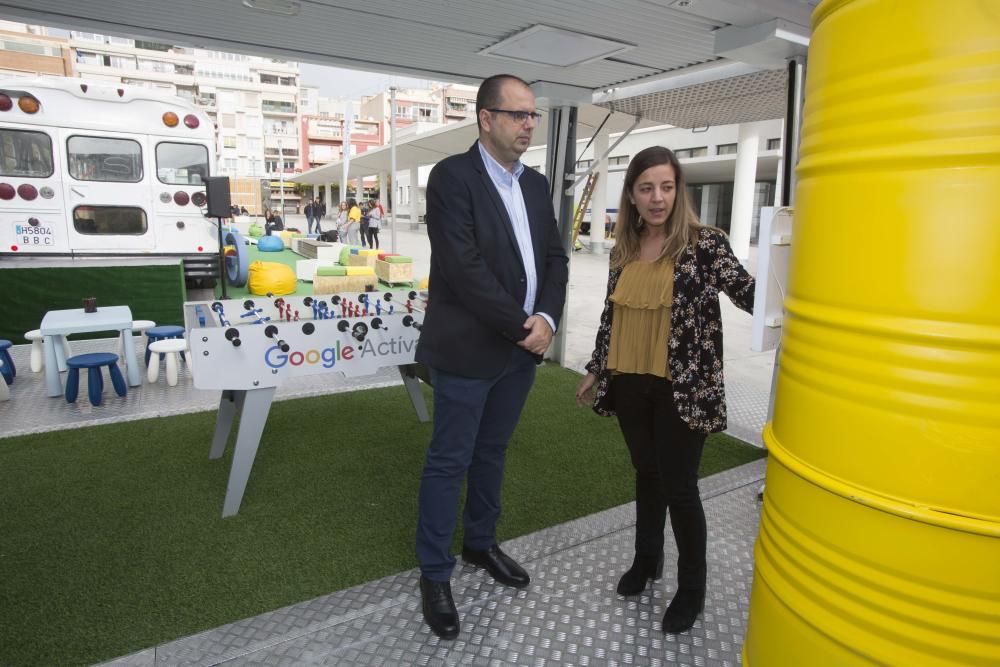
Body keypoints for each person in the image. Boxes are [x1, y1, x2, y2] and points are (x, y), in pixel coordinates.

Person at [575, 146, 755, 635]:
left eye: (667, 187)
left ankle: (691, 588)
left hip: (683, 386)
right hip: (630, 379)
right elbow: (613, 315)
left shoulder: (706, 244)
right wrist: (596, 367)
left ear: (679, 191)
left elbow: (748, 292)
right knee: (646, 472)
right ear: (632, 195)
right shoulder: (625, 247)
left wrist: (799, 282)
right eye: (647, 188)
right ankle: (647, 560)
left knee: (680, 486)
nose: (658, 198)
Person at [414, 73, 569, 641]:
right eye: (518, 114)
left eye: (533, 116)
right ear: (486, 118)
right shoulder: (452, 178)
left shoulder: (534, 183)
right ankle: (435, 572)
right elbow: (462, 267)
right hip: (469, 348)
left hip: (519, 352)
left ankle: (480, 544)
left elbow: (555, 257)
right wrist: (521, 327)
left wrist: (548, 319)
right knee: (449, 460)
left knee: (493, 453)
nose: (529, 124)